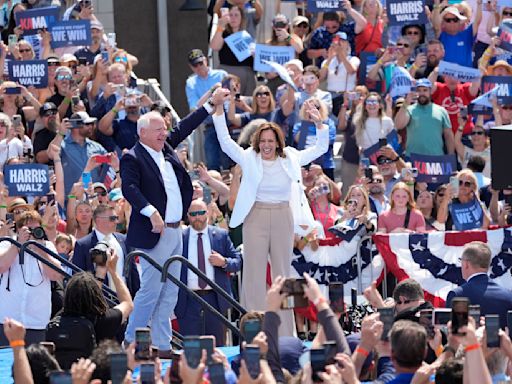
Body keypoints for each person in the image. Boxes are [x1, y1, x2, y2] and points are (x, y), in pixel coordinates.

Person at [212, 96, 329, 336]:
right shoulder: (248, 157)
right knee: (253, 274)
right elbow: (224, 142)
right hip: (255, 215)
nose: (266, 145)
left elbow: (321, 148)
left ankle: (287, 333)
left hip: (283, 215)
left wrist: (319, 124)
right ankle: (253, 330)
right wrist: (217, 112)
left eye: (271, 140)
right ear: (257, 142)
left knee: (284, 273)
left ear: (278, 142)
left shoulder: (292, 157)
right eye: (262, 140)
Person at [121, 90, 225, 358]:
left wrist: (211, 104)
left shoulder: (165, 148)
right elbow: (129, 188)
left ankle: (162, 345)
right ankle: (131, 342)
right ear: (142, 132)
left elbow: (185, 126)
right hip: (153, 232)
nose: (164, 133)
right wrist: (149, 210)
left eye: (164, 129)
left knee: (171, 291)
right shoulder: (132, 157)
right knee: (151, 290)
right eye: (158, 130)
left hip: (175, 230)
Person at [174, 199, 242, 345]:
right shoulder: (180, 237)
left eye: (201, 213)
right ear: (188, 215)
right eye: (193, 214)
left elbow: (238, 262)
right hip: (188, 301)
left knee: (217, 348)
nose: (197, 217)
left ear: (208, 213)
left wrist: (224, 262)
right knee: (191, 350)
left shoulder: (221, 235)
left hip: (215, 299)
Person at [0, 210, 62, 346]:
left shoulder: (48, 246)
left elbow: (56, 275)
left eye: (36, 229)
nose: (33, 232)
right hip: (7, 321)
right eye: (29, 229)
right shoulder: (6, 244)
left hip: (36, 322)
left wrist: (40, 249)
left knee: (35, 365)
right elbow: (1, 266)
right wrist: (18, 244)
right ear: (19, 229)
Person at [61, 254, 133, 343]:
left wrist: (100, 274)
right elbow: (127, 303)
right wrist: (113, 272)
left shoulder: (58, 322)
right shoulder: (104, 321)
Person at [72, 204, 140, 298]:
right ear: (99, 220)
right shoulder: (83, 245)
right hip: (99, 302)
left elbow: (133, 272)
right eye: (113, 218)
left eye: (117, 218)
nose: (116, 221)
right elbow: (78, 278)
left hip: (125, 300)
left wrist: (136, 298)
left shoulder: (124, 240)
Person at [446, 241, 512, 328]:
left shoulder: (457, 295)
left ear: (466, 264)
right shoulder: (508, 295)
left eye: (460, 261)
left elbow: (452, 334)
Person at [394, 78, 454, 157]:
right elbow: (398, 125)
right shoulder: (409, 109)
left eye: (425, 90)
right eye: (419, 90)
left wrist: (451, 156)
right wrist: (406, 102)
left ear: (430, 91)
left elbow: (448, 135)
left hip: (436, 158)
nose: (422, 93)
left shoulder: (441, 111)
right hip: (413, 158)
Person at [210, 5, 256, 96]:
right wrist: (220, 27)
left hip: (246, 73)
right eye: (230, 15)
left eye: (236, 15)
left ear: (242, 18)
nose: (233, 18)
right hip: (227, 72)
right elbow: (214, 47)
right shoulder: (223, 33)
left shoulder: (246, 35)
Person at [60, 111, 109, 194]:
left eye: (92, 124)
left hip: (94, 199)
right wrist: (60, 133)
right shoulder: (62, 146)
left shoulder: (97, 147)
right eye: (87, 124)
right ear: (76, 125)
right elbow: (50, 153)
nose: (91, 127)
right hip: (71, 199)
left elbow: (109, 163)